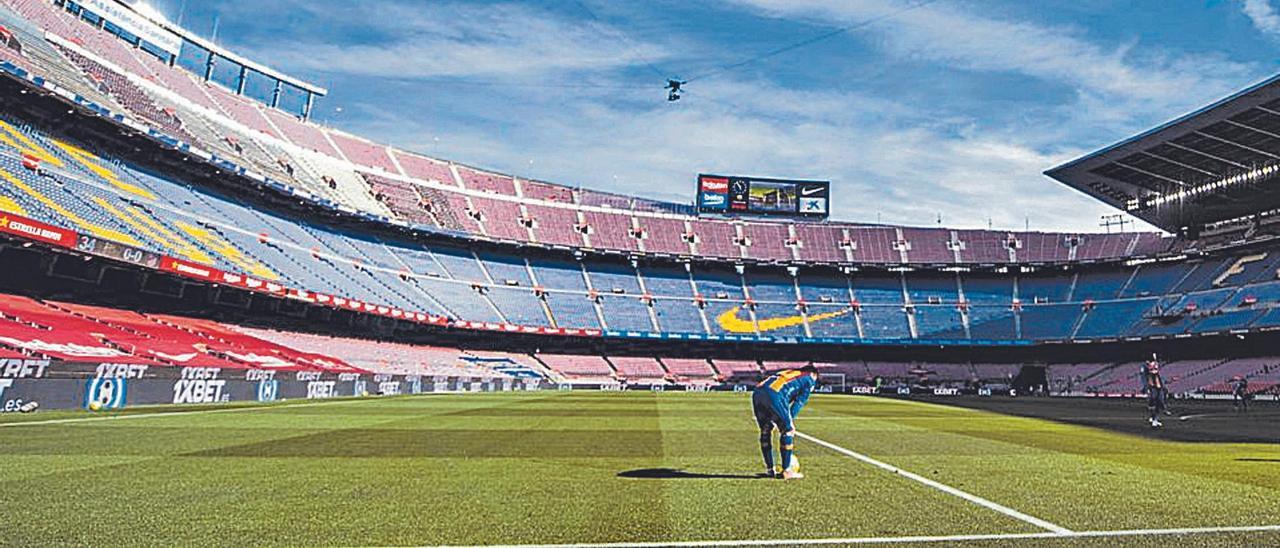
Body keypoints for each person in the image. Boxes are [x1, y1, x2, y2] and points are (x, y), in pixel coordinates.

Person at [752, 365, 819, 479]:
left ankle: (770, 469)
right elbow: (799, 402)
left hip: (757, 392)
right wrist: (789, 422)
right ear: (813, 374)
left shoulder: (789, 373)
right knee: (787, 431)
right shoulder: (809, 378)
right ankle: (787, 471)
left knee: (765, 430)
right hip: (774, 394)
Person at [1141, 358, 1167, 428]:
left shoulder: (1156, 365)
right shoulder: (1145, 366)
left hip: (1159, 386)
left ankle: (1155, 418)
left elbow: (1158, 374)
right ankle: (1153, 418)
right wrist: (1146, 387)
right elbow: (1145, 376)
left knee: (1159, 401)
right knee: (1153, 401)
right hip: (1152, 386)